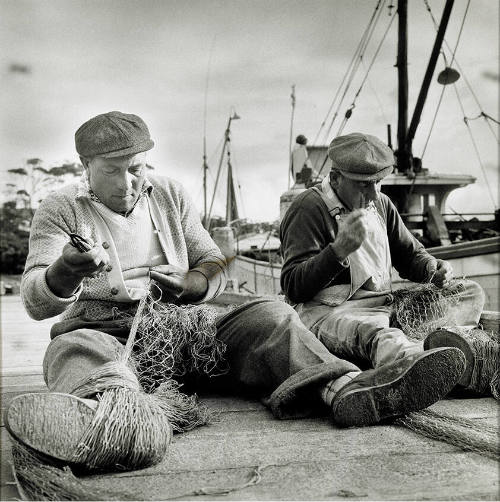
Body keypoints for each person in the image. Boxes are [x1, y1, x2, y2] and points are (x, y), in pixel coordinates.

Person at [8, 115, 466, 468]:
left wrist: (195, 284)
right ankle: (102, 419)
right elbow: (33, 299)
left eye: (139, 167)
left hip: (183, 328)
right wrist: (64, 274)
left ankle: (341, 388)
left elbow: (213, 263)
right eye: (114, 170)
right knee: (71, 347)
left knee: (268, 314)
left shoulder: (168, 192)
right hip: (109, 331)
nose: (131, 182)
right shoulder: (60, 209)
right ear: (86, 166)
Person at [280, 132, 485, 405]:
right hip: (329, 314)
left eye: (378, 182)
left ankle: (432, 356)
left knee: (469, 292)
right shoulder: (309, 207)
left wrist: (432, 269)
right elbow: (293, 286)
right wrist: (337, 251)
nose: (374, 192)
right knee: (378, 335)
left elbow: (410, 255)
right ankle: (427, 365)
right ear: (336, 177)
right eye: (364, 184)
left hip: (385, 307)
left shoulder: (381, 204)